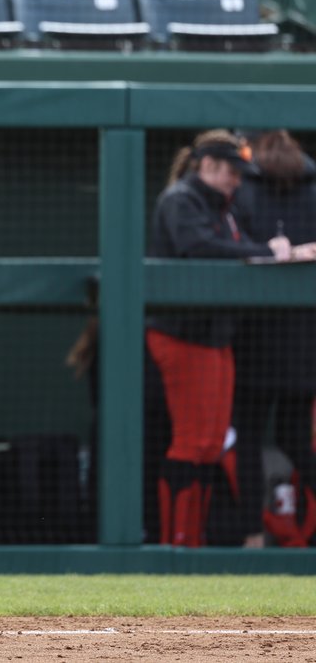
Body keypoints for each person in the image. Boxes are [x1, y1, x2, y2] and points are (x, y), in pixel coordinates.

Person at [146, 129, 293, 548]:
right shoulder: (181, 199)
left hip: (214, 336)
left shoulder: (222, 207)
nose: (237, 180)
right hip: (182, 335)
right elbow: (198, 247)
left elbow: (236, 245)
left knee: (211, 444)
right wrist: (266, 252)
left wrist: (268, 249)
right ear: (208, 166)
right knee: (193, 442)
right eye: (231, 171)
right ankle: (177, 546)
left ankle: (193, 545)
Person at [230, 129, 316, 547]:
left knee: (250, 437)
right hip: (292, 341)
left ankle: (251, 536)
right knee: (292, 437)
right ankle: (251, 534)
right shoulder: (245, 188)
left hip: (260, 339)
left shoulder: (245, 189)